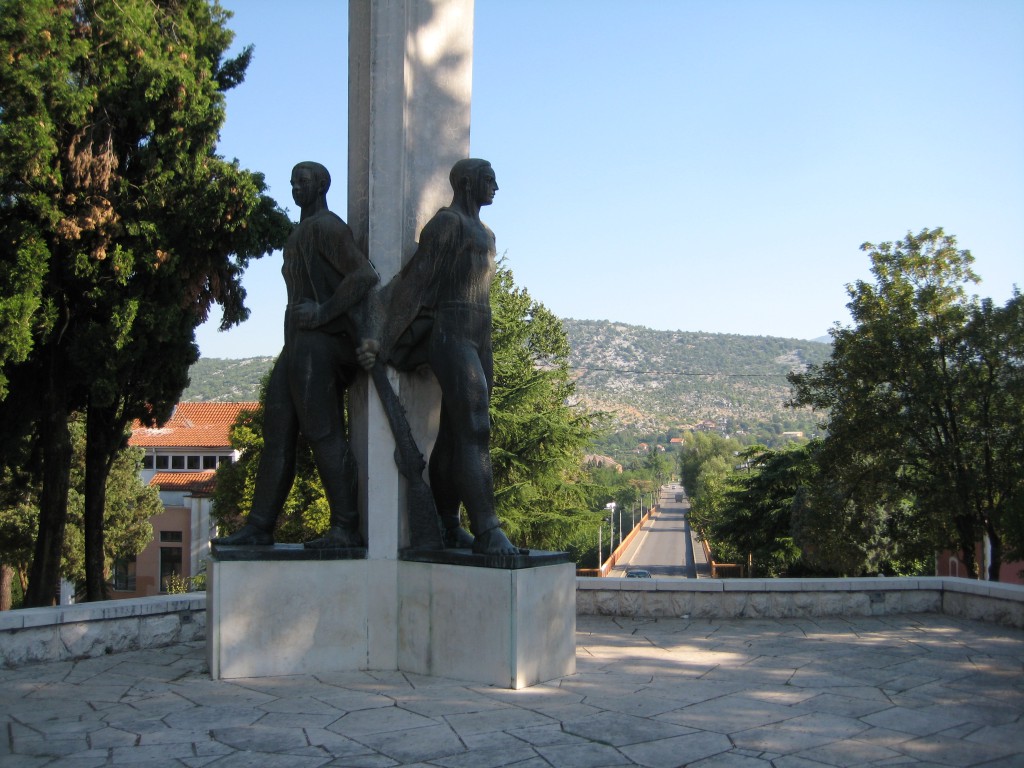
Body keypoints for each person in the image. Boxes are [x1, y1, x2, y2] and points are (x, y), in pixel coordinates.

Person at [213, 161, 378, 548]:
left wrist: (323, 313)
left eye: (302, 182)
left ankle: (345, 527)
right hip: (298, 345)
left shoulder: (329, 227)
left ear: (321, 185)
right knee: (277, 433)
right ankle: (259, 526)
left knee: (323, 433)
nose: (295, 188)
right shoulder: (299, 232)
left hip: (321, 343)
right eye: (292, 183)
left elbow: (364, 276)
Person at [384, 159, 520, 556]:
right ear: (466, 182)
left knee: (454, 432)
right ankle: (488, 529)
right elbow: (416, 281)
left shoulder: (487, 233)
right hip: (451, 331)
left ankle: (448, 522)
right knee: (475, 427)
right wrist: (387, 336)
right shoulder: (447, 225)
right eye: (489, 179)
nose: (496, 186)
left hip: (481, 333)